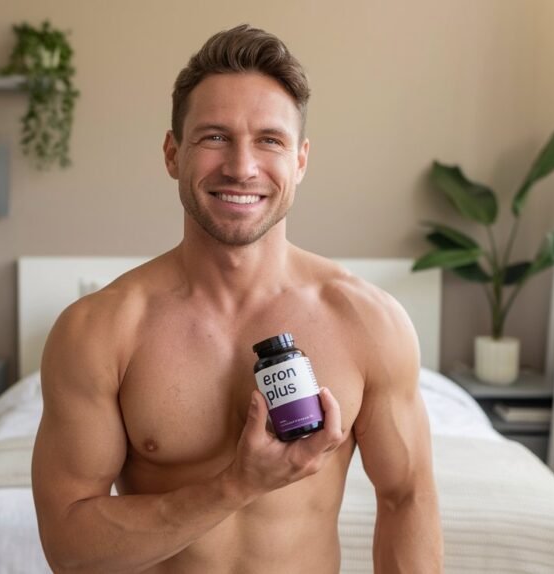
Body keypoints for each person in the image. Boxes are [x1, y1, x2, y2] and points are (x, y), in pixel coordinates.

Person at [31, 24, 443, 573]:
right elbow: (69, 548)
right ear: (173, 154)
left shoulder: (368, 321)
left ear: (299, 161)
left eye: (269, 140)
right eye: (215, 137)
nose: (242, 167)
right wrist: (237, 486)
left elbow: (406, 498)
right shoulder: (100, 329)